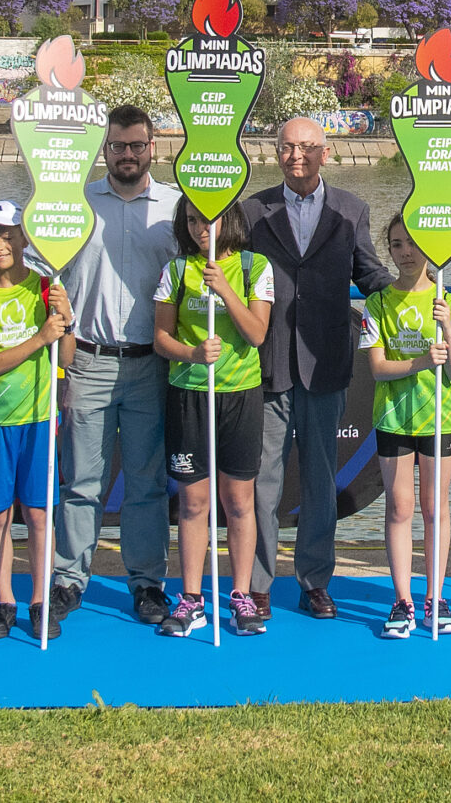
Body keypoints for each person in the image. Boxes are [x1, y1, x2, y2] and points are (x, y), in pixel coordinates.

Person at [240, 116, 393, 621]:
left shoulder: (352, 210)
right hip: (266, 366)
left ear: (325, 153)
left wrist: (410, 286)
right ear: (275, 151)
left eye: (307, 147)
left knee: (321, 482)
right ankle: (257, 585)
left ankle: (314, 582)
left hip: (326, 364)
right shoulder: (250, 211)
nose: (296, 155)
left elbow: (369, 272)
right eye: (287, 147)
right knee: (263, 483)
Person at [45, 105, 178, 627]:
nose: (128, 154)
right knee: (82, 480)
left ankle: (147, 583)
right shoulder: (74, 204)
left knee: (146, 483)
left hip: (150, 363)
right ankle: (68, 580)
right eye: (118, 146)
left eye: (137, 145)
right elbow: (42, 271)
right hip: (89, 361)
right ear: (105, 149)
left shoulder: (173, 207)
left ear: (153, 148)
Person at [152, 198, 274, 640]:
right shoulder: (176, 271)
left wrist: (225, 289)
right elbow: (161, 338)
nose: (201, 227)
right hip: (189, 395)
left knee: (239, 502)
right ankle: (190, 598)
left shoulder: (254, 267)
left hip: (239, 396)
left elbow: (257, 334)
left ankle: (240, 595)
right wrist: (190, 353)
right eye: (191, 220)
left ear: (229, 219)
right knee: (193, 503)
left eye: (208, 218)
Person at [0, 200, 75, 640]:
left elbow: (66, 357)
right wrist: (39, 337)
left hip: (38, 417)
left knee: (38, 515)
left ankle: (39, 602)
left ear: (24, 238)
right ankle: (4, 602)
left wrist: (63, 323)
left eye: (7, 236)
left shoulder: (49, 287)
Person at [361, 210, 451, 636]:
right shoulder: (378, 303)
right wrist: (422, 361)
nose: (406, 253)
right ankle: (403, 599)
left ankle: (435, 597)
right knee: (400, 507)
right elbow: (377, 368)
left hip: (439, 418)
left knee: (434, 508)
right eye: (396, 245)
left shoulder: (449, 301)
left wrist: (444, 326)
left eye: (412, 243)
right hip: (393, 418)